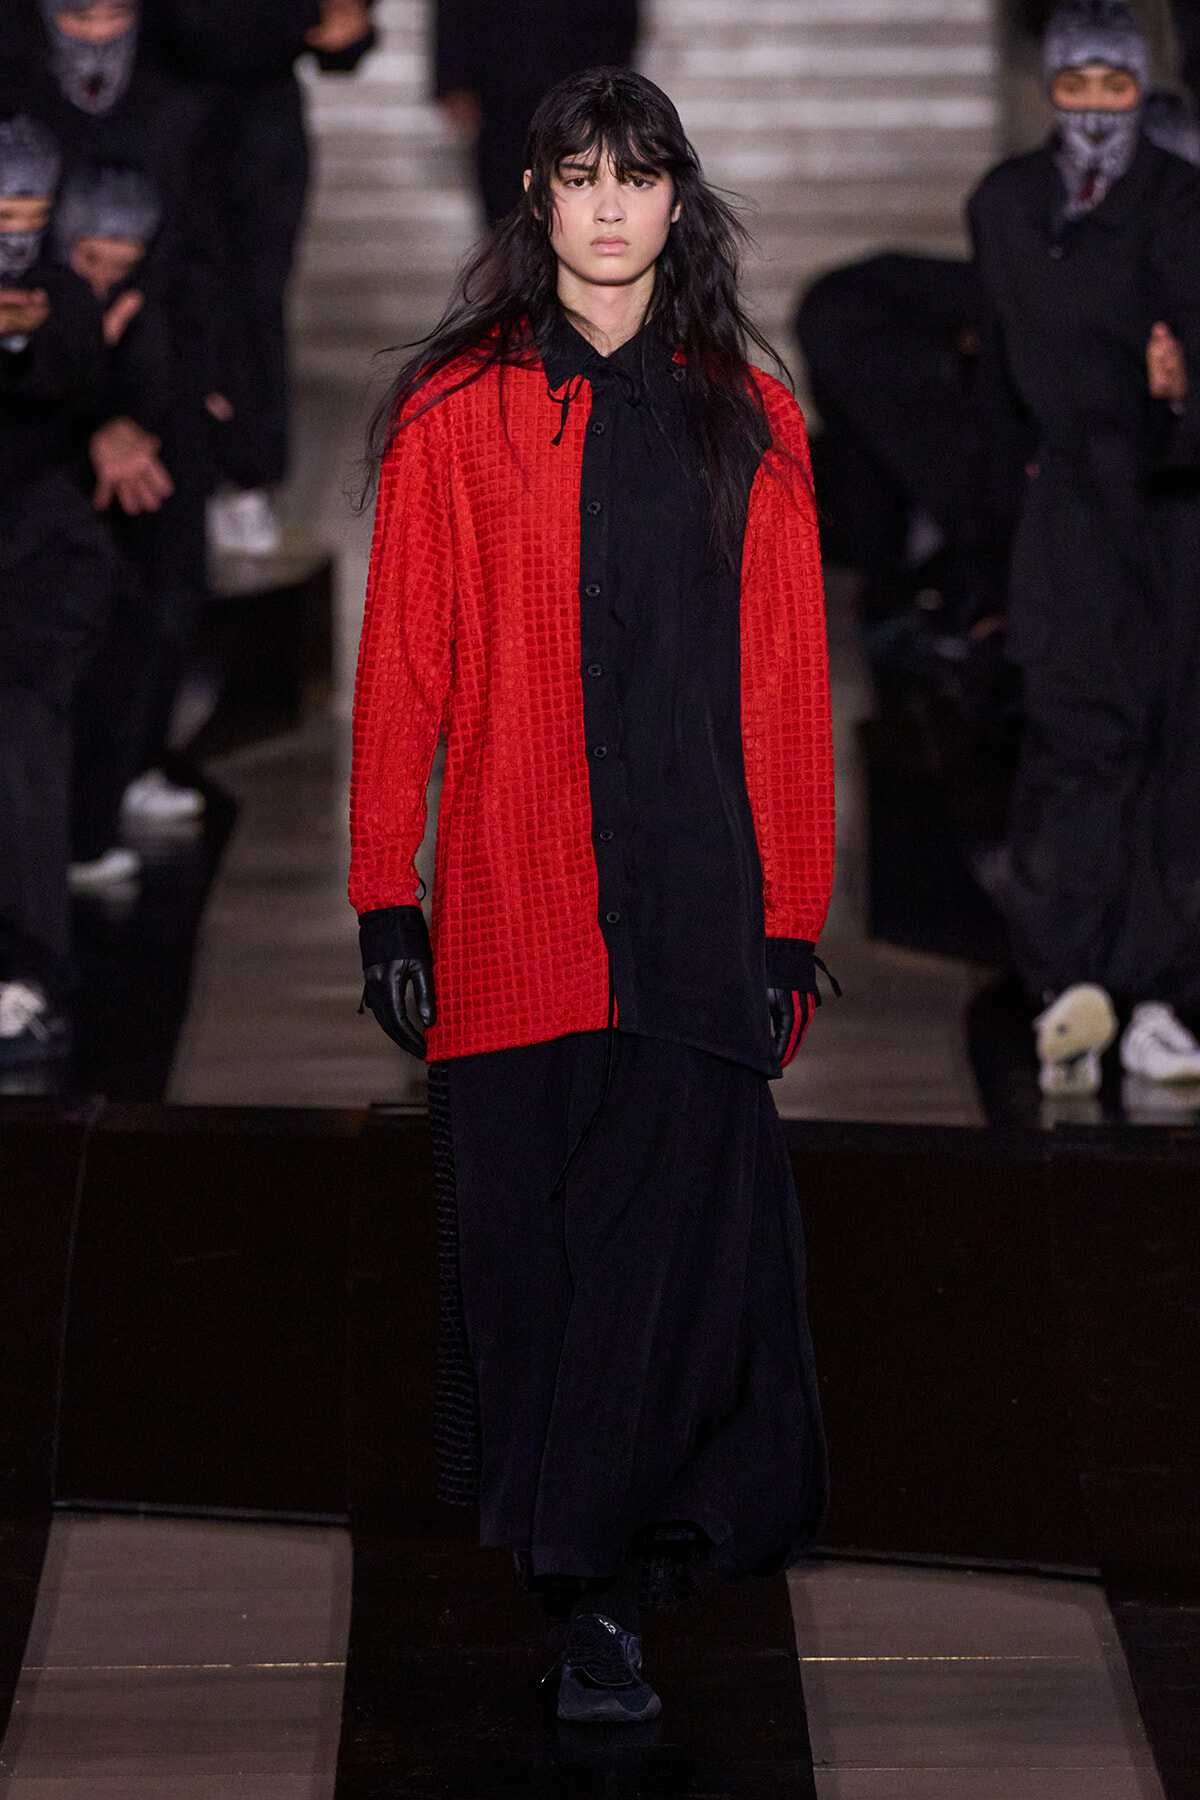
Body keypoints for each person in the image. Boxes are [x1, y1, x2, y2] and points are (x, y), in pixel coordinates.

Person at [351, 67, 833, 1722]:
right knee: (539, 1268)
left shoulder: (746, 418)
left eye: (641, 176)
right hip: (509, 905)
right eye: (583, 174)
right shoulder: (456, 411)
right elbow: (402, 668)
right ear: (539, 199)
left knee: (665, 1272)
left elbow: (783, 688)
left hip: (695, 914)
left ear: (677, 201)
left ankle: (607, 1602)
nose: (613, 204)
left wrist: (791, 916)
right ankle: (579, 1580)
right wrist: (380, 896)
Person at [969, 0, 1200, 1096]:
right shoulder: (1008, 205)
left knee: (1168, 754)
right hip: (1063, 515)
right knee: (1071, 742)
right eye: (1078, 88)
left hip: (1169, 514)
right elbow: (1005, 377)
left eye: (1116, 88)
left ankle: (1154, 990)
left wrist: (1176, 394)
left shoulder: (1182, 201)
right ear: (1051, 89)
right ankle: (1069, 986)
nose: (1097, 108)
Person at [147, 0, 376, 554]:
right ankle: (181, 467)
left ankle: (244, 477)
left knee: (253, 300)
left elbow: (341, 31)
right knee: (168, 297)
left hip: (258, 124)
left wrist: (343, 23)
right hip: (159, 113)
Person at [0, 113, 112, 1066]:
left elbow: (72, 386)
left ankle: (29, 973)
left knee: (22, 752)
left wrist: (20, 345)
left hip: (35, 563)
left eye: (29, 206)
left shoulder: (61, 293)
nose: (14, 225)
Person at [435, 0, 638, 224]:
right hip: (498, 81)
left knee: (577, 184)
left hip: (578, 71)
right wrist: (454, 80)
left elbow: (620, 15)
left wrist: (612, 81)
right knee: (505, 194)